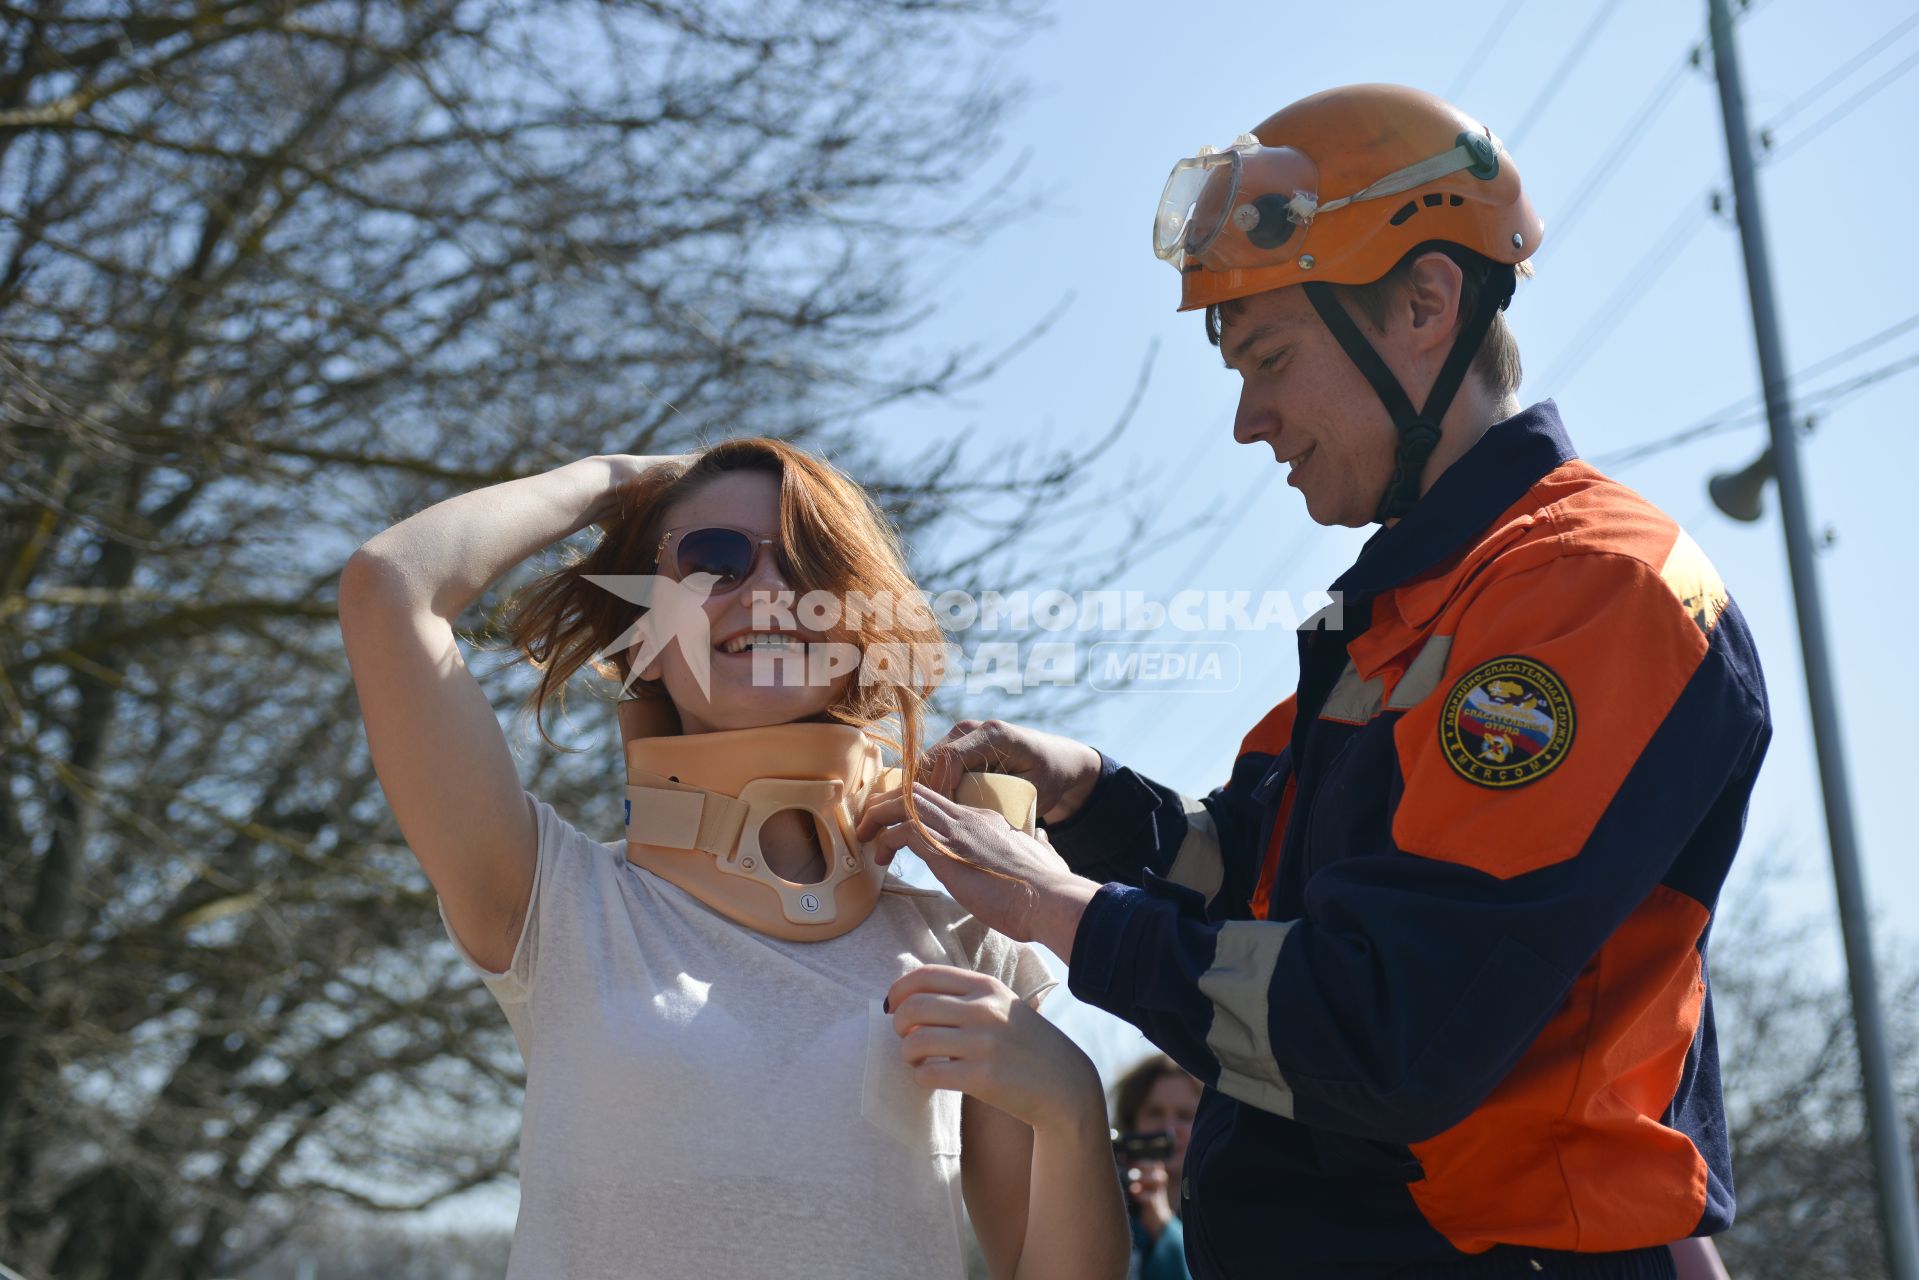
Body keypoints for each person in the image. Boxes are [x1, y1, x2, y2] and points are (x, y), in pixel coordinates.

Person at [859, 84, 1769, 1278]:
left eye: (1270, 357)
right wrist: (1097, 805)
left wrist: (1061, 913)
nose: (1248, 420)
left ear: (1425, 304)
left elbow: (1384, 1023)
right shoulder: (1411, 603)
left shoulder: (1589, 593)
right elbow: (1265, 875)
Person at [338, 438, 1128, 1279]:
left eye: (807, 563)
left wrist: (1071, 1108)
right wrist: (620, 478)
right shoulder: (556, 904)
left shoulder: (968, 936)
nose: (767, 591)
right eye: (711, 558)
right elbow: (391, 586)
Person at [1110, 1055, 1200, 1280]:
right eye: (1155, 1113)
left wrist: (1162, 1226)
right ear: (1132, 1122)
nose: (1169, 1129)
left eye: (1185, 1116)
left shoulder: (1226, 1215)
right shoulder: (1106, 1204)